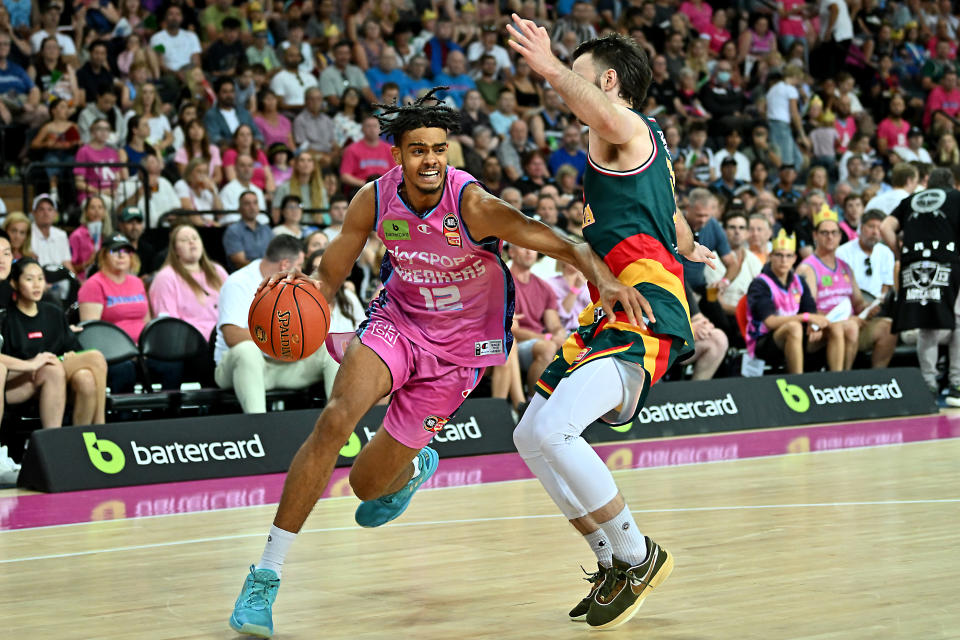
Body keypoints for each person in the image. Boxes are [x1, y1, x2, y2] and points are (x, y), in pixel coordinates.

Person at [227, 87, 646, 637]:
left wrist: (603, 277)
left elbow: (557, 242)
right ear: (397, 155)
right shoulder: (373, 200)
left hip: (459, 353)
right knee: (334, 421)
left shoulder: (472, 205)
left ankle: (412, 468)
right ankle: (265, 577)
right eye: (419, 149)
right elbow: (329, 277)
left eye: (439, 148)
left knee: (367, 486)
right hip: (396, 323)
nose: (431, 159)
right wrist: (302, 292)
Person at [505, 23, 715, 630]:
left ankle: (637, 553)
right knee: (530, 435)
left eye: (579, 70)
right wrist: (693, 249)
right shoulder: (638, 150)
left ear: (609, 81)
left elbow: (600, 109)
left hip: (643, 308)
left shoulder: (627, 125)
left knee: (561, 430)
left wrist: (548, 66)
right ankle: (612, 561)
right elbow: (671, 218)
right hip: (613, 306)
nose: (567, 82)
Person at [213, 234, 331, 416]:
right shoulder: (238, 282)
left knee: (330, 348)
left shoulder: (295, 286)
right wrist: (277, 339)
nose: (301, 270)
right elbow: (232, 336)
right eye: (298, 265)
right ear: (285, 265)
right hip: (243, 368)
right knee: (247, 351)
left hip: (285, 365)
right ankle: (260, 429)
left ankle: (341, 424)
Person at [883, 168, 960, 404]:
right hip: (948, 264)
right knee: (957, 321)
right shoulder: (957, 197)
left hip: (913, 266)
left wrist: (899, 254)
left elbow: (885, 227)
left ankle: (928, 384)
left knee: (926, 324)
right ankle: (956, 384)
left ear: (928, 185)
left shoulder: (910, 200)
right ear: (952, 184)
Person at [1, 258, 108, 427]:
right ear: (14, 283)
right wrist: (32, 363)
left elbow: (72, 348)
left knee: (85, 378)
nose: (36, 285)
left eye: (40, 279)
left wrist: (70, 355)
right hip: (26, 380)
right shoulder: (6, 319)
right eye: (29, 279)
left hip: (58, 372)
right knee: (94, 357)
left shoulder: (54, 312)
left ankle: (82, 439)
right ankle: (101, 424)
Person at [797, 205, 898, 369]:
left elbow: (857, 302)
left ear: (839, 236)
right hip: (822, 328)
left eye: (834, 233)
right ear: (815, 235)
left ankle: (877, 380)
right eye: (825, 233)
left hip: (851, 321)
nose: (830, 237)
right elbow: (809, 309)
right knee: (848, 326)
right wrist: (845, 319)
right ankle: (842, 380)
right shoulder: (808, 268)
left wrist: (867, 308)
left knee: (888, 327)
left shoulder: (845, 267)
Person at [745, 231, 835, 373]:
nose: (784, 260)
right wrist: (806, 318)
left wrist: (814, 324)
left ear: (794, 258)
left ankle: (838, 382)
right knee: (794, 327)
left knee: (834, 327)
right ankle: (797, 381)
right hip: (763, 340)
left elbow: (810, 310)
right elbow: (770, 322)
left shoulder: (798, 281)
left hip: (796, 334)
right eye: (779, 255)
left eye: (788, 256)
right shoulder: (760, 284)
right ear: (770, 257)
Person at [148, 224, 228, 340]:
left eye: (195, 238)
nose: (191, 242)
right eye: (184, 240)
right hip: (191, 343)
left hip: (225, 336)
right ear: (175, 250)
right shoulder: (166, 277)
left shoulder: (218, 270)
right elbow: (168, 323)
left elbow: (235, 303)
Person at [223, 191, 273, 270]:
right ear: (239, 209)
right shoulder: (233, 231)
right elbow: (239, 262)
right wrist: (266, 268)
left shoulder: (267, 229)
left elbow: (276, 255)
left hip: (269, 274)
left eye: (255, 203)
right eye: (247, 204)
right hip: (245, 276)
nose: (252, 207)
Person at [30, 194, 73, 272]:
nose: (46, 213)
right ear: (34, 213)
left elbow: (66, 263)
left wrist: (77, 282)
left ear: (55, 214)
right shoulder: (27, 233)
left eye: (50, 209)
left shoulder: (61, 235)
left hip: (59, 279)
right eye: (41, 209)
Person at [69, 195, 107, 280]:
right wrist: (88, 263)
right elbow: (70, 267)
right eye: (92, 207)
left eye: (100, 207)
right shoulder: (76, 236)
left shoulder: (106, 235)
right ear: (86, 212)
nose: (97, 211)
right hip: (82, 281)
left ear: (104, 212)